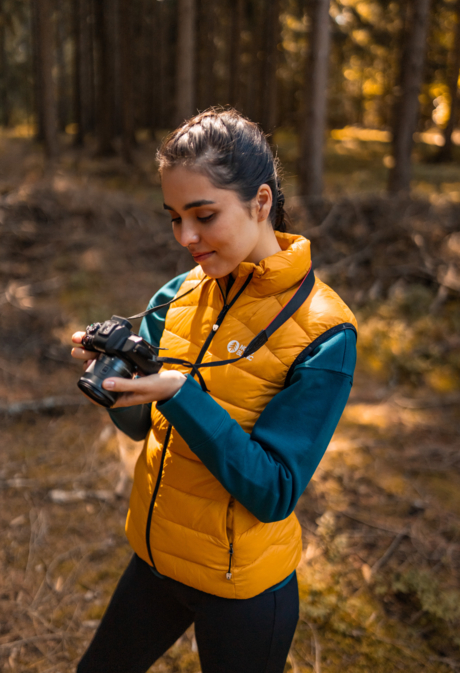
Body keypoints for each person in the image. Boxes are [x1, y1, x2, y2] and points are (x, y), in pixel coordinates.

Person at [71, 108, 357, 673]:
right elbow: (141, 430)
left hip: (243, 588)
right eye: (174, 217)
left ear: (261, 202)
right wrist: (118, 384)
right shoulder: (178, 294)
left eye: (204, 215)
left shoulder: (326, 332)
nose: (186, 238)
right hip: (158, 559)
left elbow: (274, 490)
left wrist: (179, 393)